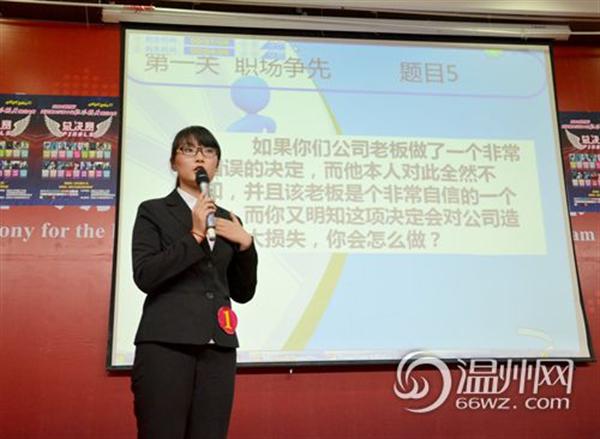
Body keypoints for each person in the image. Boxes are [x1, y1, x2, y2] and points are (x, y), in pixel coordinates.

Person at [130, 125, 258, 439]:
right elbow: (146, 275)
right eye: (189, 150)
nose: (200, 157)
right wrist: (196, 234)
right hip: (166, 345)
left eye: (208, 151)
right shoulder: (153, 211)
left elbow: (242, 292)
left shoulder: (228, 219)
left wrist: (246, 245)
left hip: (218, 347)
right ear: (173, 162)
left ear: (217, 165)